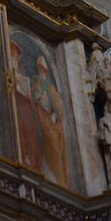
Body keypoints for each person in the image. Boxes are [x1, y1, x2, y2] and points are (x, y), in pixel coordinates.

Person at [31, 56, 69, 187]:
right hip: (43, 120)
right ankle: (52, 177)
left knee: (58, 149)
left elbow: (58, 105)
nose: (41, 71)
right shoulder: (36, 84)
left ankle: (60, 180)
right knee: (51, 146)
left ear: (46, 71)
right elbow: (35, 99)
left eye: (42, 69)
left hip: (54, 122)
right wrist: (40, 99)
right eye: (39, 69)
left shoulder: (51, 87)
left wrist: (56, 114)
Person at [10, 40, 42, 172]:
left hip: (26, 108)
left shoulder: (22, 74)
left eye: (14, 54)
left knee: (30, 133)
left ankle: (33, 163)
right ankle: (23, 158)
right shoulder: (9, 71)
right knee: (20, 133)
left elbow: (30, 94)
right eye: (11, 53)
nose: (13, 56)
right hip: (16, 106)